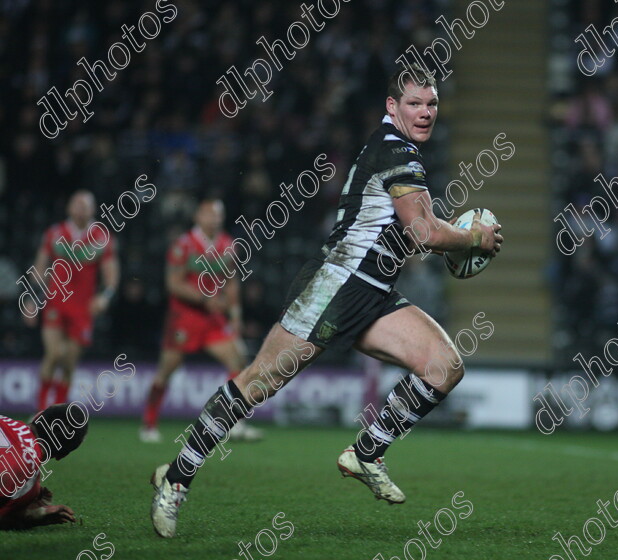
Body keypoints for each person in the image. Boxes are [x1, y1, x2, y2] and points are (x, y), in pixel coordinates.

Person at [150, 65, 503, 538]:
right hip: (336, 285)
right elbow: (424, 231)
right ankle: (175, 479)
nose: (424, 112)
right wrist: (474, 238)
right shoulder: (396, 150)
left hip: (373, 291)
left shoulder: (403, 152)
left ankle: (366, 451)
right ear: (391, 108)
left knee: (444, 365)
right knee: (259, 383)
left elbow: (415, 232)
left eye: (432, 103)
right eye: (414, 103)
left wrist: (455, 239)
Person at [140, 200, 262, 443]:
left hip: (212, 318)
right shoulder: (183, 245)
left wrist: (235, 314)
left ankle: (234, 422)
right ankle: (149, 423)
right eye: (210, 214)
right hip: (184, 317)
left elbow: (231, 281)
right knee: (167, 370)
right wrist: (205, 298)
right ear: (198, 216)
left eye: (219, 215)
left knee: (237, 358)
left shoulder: (227, 244)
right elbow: (173, 284)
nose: (215, 219)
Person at [25, 191, 119, 411]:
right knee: (54, 354)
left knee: (68, 363)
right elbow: (39, 269)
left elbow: (111, 276)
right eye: (76, 204)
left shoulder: (102, 237)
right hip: (55, 302)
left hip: (83, 309)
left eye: (85, 205)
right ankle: (41, 411)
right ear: (68, 208)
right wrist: (31, 299)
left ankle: (57, 409)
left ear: (93, 210)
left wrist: (105, 297)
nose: (80, 209)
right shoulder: (54, 233)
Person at [0, 404, 88, 529]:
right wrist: (26, 516)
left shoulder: (3, 420)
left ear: (37, 416)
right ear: (62, 455)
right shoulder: (27, 486)